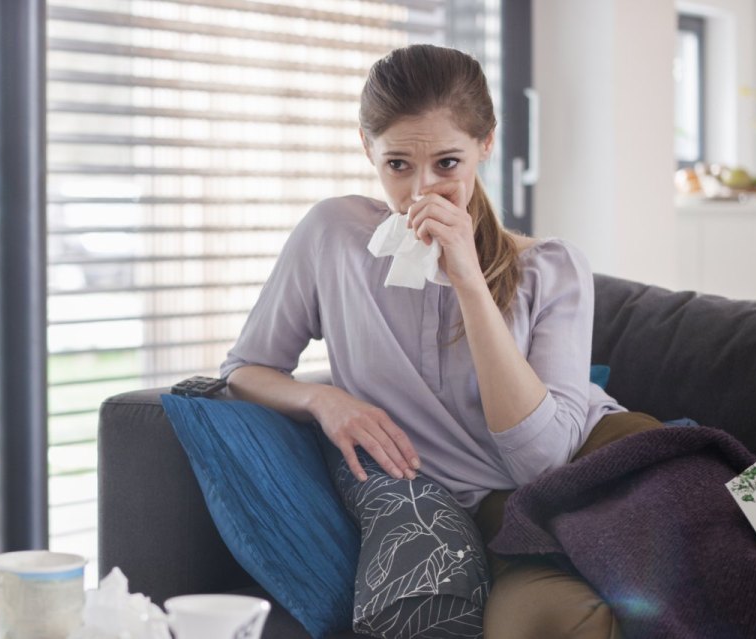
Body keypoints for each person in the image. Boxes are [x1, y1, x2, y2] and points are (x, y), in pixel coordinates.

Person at [219, 44, 664, 638]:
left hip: (590, 470)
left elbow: (542, 460)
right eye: (398, 165)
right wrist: (325, 400)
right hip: (497, 520)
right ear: (366, 148)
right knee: (540, 623)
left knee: (729, 556)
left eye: (447, 163)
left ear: (486, 144)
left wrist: (469, 282)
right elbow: (245, 369)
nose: (421, 189)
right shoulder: (333, 238)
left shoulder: (551, 269)